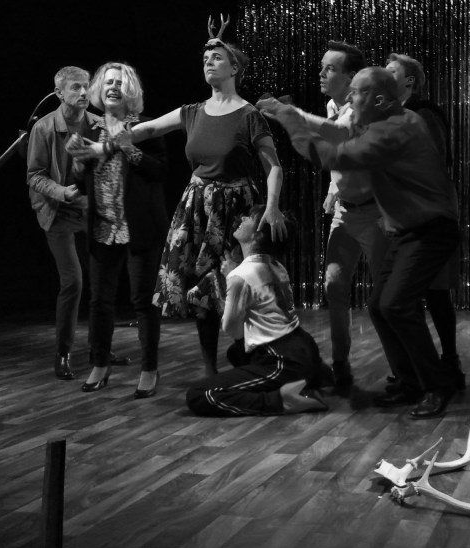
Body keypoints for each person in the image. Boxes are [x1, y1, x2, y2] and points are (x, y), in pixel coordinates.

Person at [85, 15, 287, 378]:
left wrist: (272, 208)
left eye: (216, 58)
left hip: (236, 209)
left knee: (241, 285)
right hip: (197, 208)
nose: (208, 62)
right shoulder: (191, 112)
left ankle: (256, 362)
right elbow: (144, 130)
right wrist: (104, 146)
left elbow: (274, 167)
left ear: (234, 68)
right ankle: (210, 373)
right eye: (205, 58)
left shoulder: (249, 115)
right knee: (202, 293)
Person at [258, 67, 462, 418]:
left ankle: (435, 384)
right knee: (380, 304)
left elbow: (330, 156)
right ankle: (411, 382)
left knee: (396, 304)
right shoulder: (384, 121)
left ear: (378, 100)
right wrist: (288, 112)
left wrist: (289, 117)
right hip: (408, 229)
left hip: (431, 229)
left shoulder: (396, 128)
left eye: (356, 93)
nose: (350, 99)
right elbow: (339, 132)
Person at [261, 41, 387, 391]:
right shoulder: (333, 104)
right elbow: (337, 147)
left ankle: (404, 370)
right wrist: (334, 186)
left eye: (329, 68)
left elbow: (340, 132)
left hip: (375, 213)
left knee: (386, 298)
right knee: (334, 287)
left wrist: (290, 114)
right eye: (322, 67)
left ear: (351, 77)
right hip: (345, 212)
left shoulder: (362, 105)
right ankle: (341, 366)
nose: (320, 73)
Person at [66, 62, 169, 396]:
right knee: (99, 301)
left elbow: (160, 172)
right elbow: (82, 183)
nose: (113, 87)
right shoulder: (90, 131)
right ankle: (99, 364)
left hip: (139, 226)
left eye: (119, 83)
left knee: (143, 302)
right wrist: (78, 165)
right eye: (108, 82)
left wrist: (128, 147)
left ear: (130, 91)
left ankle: (149, 369)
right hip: (102, 227)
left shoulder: (145, 127)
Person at [186, 205, 328, 416]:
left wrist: (230, 277)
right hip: (305, 348)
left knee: (199, 395)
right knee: (236, 353)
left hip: (283, 360)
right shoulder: (276, 265)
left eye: (249, 218)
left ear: (258, 235)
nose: (242, 218)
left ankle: (281, 400)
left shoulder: (240, 275)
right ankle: (310, 380)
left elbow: (233, 330)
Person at [386, 53, 464, 389]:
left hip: (429, 211)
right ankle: (423, 370)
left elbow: (433, 160)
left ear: (410, 81)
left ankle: (447, 366)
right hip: (407, 212)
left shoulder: (423, 113)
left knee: (434, 290)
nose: (383, 75)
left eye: (391, 71)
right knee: (407, 295)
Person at [26, 66, 98, 381]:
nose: (83, 92)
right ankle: (63, 352)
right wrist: (62, 192)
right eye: (75, 87)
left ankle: (100, 349)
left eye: (86, 86)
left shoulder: (98, 124)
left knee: (101, 280)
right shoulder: (44, 128)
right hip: (59, 212)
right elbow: (34, 176)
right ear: (59, 93)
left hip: (90, 211)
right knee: (73, 282)